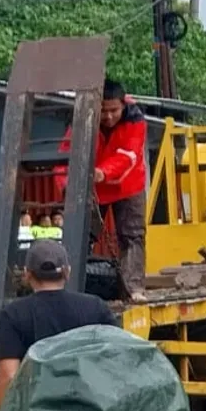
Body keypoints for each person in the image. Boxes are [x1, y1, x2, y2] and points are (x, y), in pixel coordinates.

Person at [57, 78, 147, 302]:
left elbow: (128, 156)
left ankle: (134, 289)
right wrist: (64, 185)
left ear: (123, 105)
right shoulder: (82, 121)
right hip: (93, 187)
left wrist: (102, 172)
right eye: (103, 111)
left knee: (132, 236)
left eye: (114, 110)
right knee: (79, 235)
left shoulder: (136, 121)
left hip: (127, 186)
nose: (108, 116)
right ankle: (68, 288)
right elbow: (64, 157)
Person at [0, 240, 118, 398]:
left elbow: (9, 377)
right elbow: (116, 361)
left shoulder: (12, 314)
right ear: (67, 272)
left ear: (27, 274)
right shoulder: (96, 307)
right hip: (90, 410)